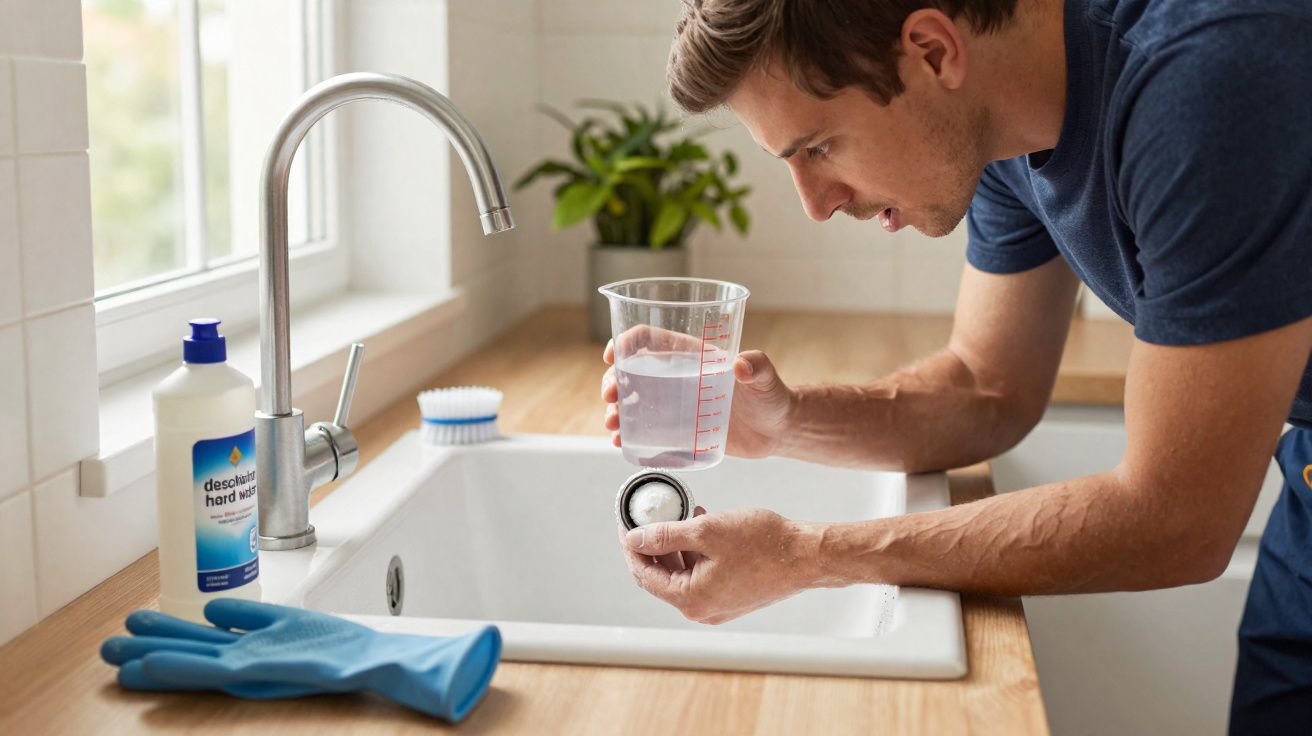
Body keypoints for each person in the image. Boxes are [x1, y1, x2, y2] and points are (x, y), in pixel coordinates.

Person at [597, 0, 1312, 730]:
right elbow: (987, 386)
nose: (815, 203)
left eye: (818, 148)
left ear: (933, 51)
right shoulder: (999, 125)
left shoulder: (1205, 77)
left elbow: (1176, 518)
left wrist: (808, 556)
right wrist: (785, 420)